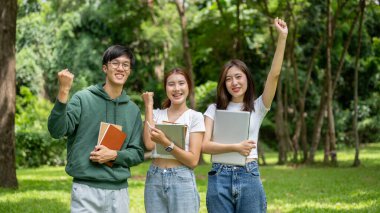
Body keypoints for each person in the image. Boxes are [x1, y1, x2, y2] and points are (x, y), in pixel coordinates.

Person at [202, 17, 288, 213]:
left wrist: (282, 38)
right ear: (223, 84)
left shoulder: (258, 106)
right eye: (228, 79)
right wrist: (235, 147)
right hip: (219, 176)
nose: (234, 82)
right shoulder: (213, 109)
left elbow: (274, 75)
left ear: (247, 78)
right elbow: (205, 146)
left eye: (238, 77)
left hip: (248, 174)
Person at [47, 45, 145, 213]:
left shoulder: (133, 110)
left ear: (129, 71)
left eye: (125, 65)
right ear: (105, 68)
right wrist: (64, 90)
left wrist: (114, 155)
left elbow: (137, 153)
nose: (120, 68)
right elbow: (57, 130)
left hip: (119, 192)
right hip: (86, 189)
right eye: (115, 63)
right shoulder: (83, 99)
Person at [141, 68, 205, 213]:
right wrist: (148, 105)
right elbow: (149, 144)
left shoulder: (195, 117)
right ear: (165, 88)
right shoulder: (156, 114)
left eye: (181, 83)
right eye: (171, 84)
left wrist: (166, 143)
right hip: (154, 179)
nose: (177, 89)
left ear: (189, 86)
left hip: (182, 179)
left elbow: (193, 161)